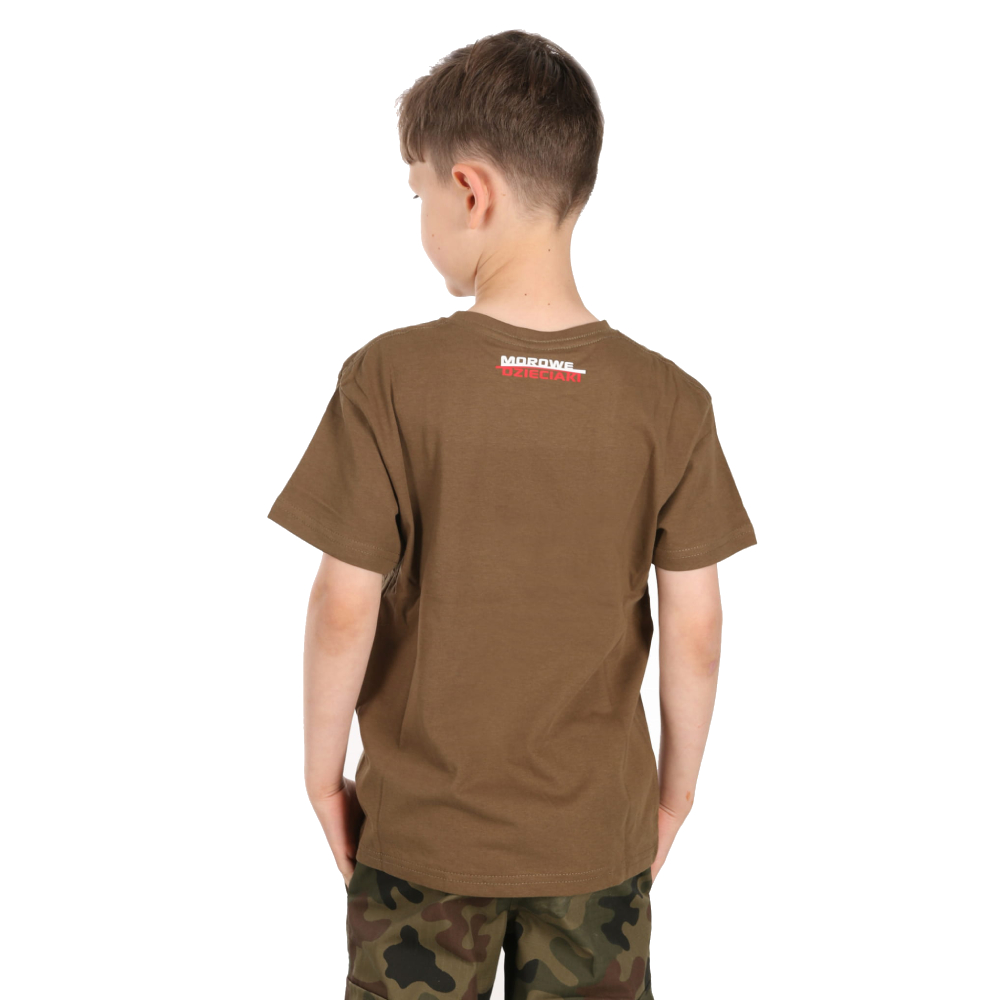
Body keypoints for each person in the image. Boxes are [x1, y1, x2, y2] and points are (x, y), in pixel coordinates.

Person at [267, 28, 756, 1000]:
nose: (420, 214)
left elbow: (342, 606)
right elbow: (696, 628)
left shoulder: (390, 378)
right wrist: (674, 797)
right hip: (597, 843)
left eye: (417, 192)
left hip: (421, 840)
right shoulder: (670, 400)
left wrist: (323, 777)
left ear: (470, 191)